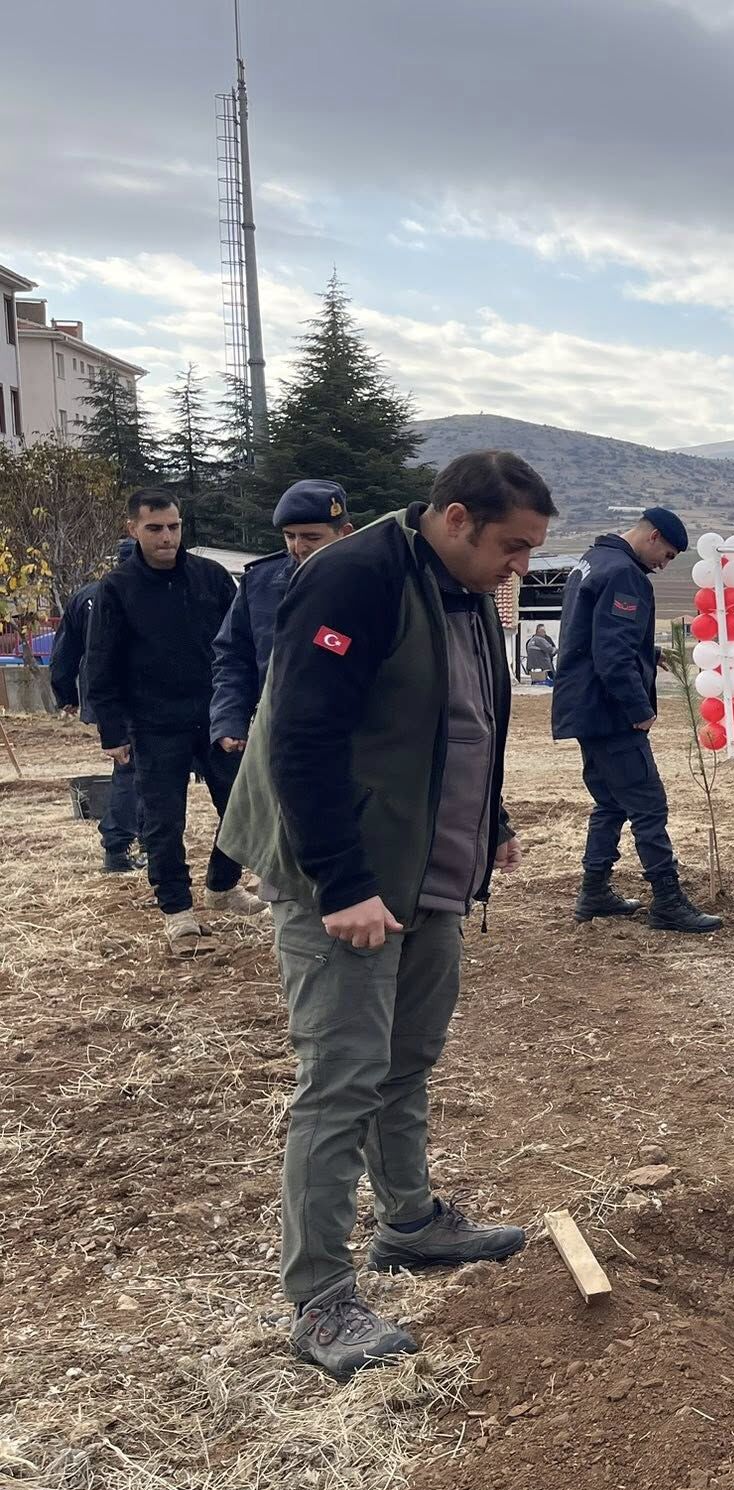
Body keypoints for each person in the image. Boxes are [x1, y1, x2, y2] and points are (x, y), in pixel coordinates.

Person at [218, 450, 553, 1380]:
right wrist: (340, 884)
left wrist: (492, 822)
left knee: (408, 1055)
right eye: (512, 546)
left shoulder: (466, 590)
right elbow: (303, 736)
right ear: (454, 518)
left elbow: (465, 719)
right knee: (341, 1077)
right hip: (349, 876)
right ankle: (319, 1298)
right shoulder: (354, 576)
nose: (520, 565)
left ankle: (408, 1222)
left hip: (426, 865)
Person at [83, 489, 260, 942]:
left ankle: (223, 884)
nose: (167, 537)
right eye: (155, 528)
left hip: (216, 716)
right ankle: (177, 910)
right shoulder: (116, 589)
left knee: (241, 807)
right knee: (163, 821)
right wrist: (113, 731)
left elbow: (241, 645)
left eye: (174, 527)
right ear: (133, 529)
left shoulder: (212, 577)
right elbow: (101, 662)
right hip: (153, 723)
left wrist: (242, 707)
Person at [550, 506, 720, 933]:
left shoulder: (591, 562)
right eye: (667, 555)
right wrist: (638, 710)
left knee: (610, 802)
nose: (664, 566)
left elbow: (594, 634)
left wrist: (652, 654)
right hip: (609, 713)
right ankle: (667, 900)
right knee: (648, 804)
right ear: (653, 536)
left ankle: (595, 891)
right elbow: (612, 655)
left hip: (585, 708)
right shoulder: (625, 574)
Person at [211, 480, 354, 757]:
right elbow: (233, 656)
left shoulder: (368, 585)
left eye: (312, 537)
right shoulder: (259, 584)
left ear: (345, 533)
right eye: (290, 536)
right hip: (278, 733)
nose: (298, 548)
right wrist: (229, 718)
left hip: (350, 737)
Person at [49, 543, 141, 872]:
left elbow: (64, 652)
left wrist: (66, 695)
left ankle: (141, 839)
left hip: (100, 694)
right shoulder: (146, 590)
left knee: (134, 766)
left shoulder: (85, 595)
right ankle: (117, 847)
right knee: (133, 768)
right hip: (138, 694)